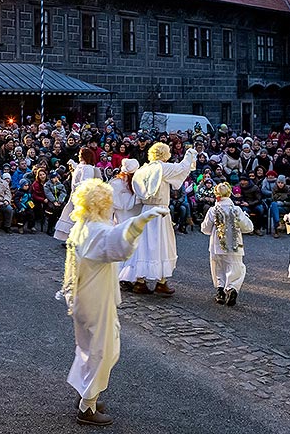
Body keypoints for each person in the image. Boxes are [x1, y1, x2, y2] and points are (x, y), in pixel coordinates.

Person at [56, 178, 168, 426]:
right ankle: (87, 406)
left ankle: (87, 393)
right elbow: (116, 244)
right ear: (102, 204)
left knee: (88, 348)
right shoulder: (96, 231)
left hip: (83, 298)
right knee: (104, 350)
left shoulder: (82, 226)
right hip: (95, 299)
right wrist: (138, 222)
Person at [118, 143, 196, 295]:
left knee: (144, 245)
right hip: (160, 212)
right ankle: (161, 282)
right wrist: (190, 154)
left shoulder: (143, 169)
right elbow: (182, 168)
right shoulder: (163, 168)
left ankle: (140, 281)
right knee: (161, 245)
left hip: (146, 210)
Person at [200, 183, 255, 306]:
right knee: (235, 267)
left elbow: (205, 228)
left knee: (218, 267)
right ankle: (232, 288)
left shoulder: (213, 210)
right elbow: (248, 227)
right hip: (234, 244)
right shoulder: (236, 210)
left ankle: (220, 290)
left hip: (217, 244)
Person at [54, 147, 103, 242]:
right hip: (75, 195)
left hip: (81, 196)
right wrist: (73, 165)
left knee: (78, 217)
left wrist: (76, 186)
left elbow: (85, 182)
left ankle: (78, 239)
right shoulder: (82, 166)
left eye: (81, 154)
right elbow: (79, 171)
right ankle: (71, 238)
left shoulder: (88, 168)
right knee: (72, 216)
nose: (79, 156)